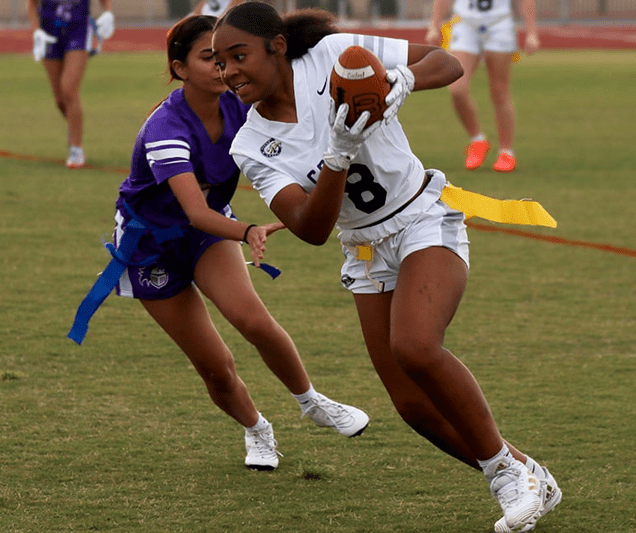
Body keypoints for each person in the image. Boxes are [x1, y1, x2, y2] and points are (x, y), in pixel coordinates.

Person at [212, 3, 560, 530]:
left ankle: (509, 476)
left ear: (277, 46)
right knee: (411, 405)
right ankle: (518, 470)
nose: (229, 71)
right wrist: (338, 152)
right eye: (220, 62)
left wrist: (402, 80)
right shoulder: (251, 143)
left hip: (421, 216)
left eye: (239, 56)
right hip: (363, 247)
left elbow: (447, 62)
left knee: (415, 346)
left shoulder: (333, 56)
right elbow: (310, 228)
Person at [83, 14, 370, 472]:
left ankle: (312, 402)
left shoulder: (242, 105)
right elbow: (196, 210)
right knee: (215, 365)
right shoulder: (165, 129)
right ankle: (257, 429)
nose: (223, 68)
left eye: (226, 58)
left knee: (253, 320)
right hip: (151, 246)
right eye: (208, 58)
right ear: (179, 69)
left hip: (209, 233)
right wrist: (250, 230)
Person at [425, 0, 540, 173]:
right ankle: (478, 140)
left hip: (499, 24)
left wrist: (532, 31)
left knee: (500, 91)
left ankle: (506, 151)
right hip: (465, 24)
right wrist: (434, 24)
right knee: (457, 87)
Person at [27, 0, 116, 168]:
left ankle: (76, 148)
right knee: (60, 100)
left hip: (78, 31)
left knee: (68, 90)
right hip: (49, 32)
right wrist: (36, 31)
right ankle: (75, 131)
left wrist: (108, 12)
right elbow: (31, 5)